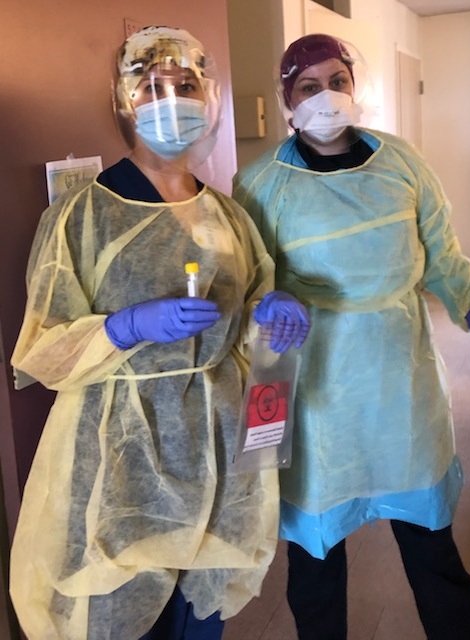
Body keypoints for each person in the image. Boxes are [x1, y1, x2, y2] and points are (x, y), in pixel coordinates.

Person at [9, 26, 309, 640]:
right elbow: (42, 349)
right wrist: (124, 327)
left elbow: (253, 300)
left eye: (185, 86)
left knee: (202, 611)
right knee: (122, 612)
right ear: (125, 104)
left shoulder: (227, 213)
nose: (172, 101)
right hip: (120, 452)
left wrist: (271, 310)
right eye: (151, 88)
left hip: (217, 445)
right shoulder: (80, 214)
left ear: (209, 98)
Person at [232, 33, 470, 640]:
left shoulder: (402, 162)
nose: (326, 97)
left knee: (428, 536)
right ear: (288, 100)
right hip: (312, 384)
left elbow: (442, 249)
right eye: (309, 87)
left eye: (337, 81)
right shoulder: (261, 184)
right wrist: (266, 299)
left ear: (354, 88)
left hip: (397, 374)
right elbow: (245, 278)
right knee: (315, 549)